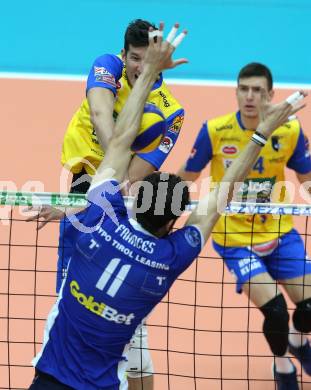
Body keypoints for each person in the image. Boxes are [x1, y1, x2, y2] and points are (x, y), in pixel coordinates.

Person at [27, 25, 306, 390]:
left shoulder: (99, 217)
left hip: (94, 208)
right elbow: (217, 199)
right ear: (173, 222)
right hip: (104, 373)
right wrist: (260, 134)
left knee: (71, 309)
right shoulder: (171, 256)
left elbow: (119, 148)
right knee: (134, 345)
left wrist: (79, 206)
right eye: (135, 59)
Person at [40, 19, 185, 389]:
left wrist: (80, 205)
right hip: (86, 183)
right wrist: (83, 196)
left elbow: (129, 179)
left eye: (145, 60)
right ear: (124, 55)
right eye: (134, 58)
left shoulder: (171, 112)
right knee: (73, 301)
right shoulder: (107, 66)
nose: (139, 67)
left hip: (120, 204)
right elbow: (103, 118)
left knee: (128, 327)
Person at [178, 62, 311, 389]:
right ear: (236, 92)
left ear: (270, 95)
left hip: (279, 234)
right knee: (277, 311)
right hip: (235, 239)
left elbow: (307, 178)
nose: (249, 97)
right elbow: (186, 177)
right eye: (244, 89)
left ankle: (297, 341)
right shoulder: (215, 130)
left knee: (309, 308)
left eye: (257, 91)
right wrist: (148, 203)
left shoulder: (290, 131)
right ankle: (282, 367)